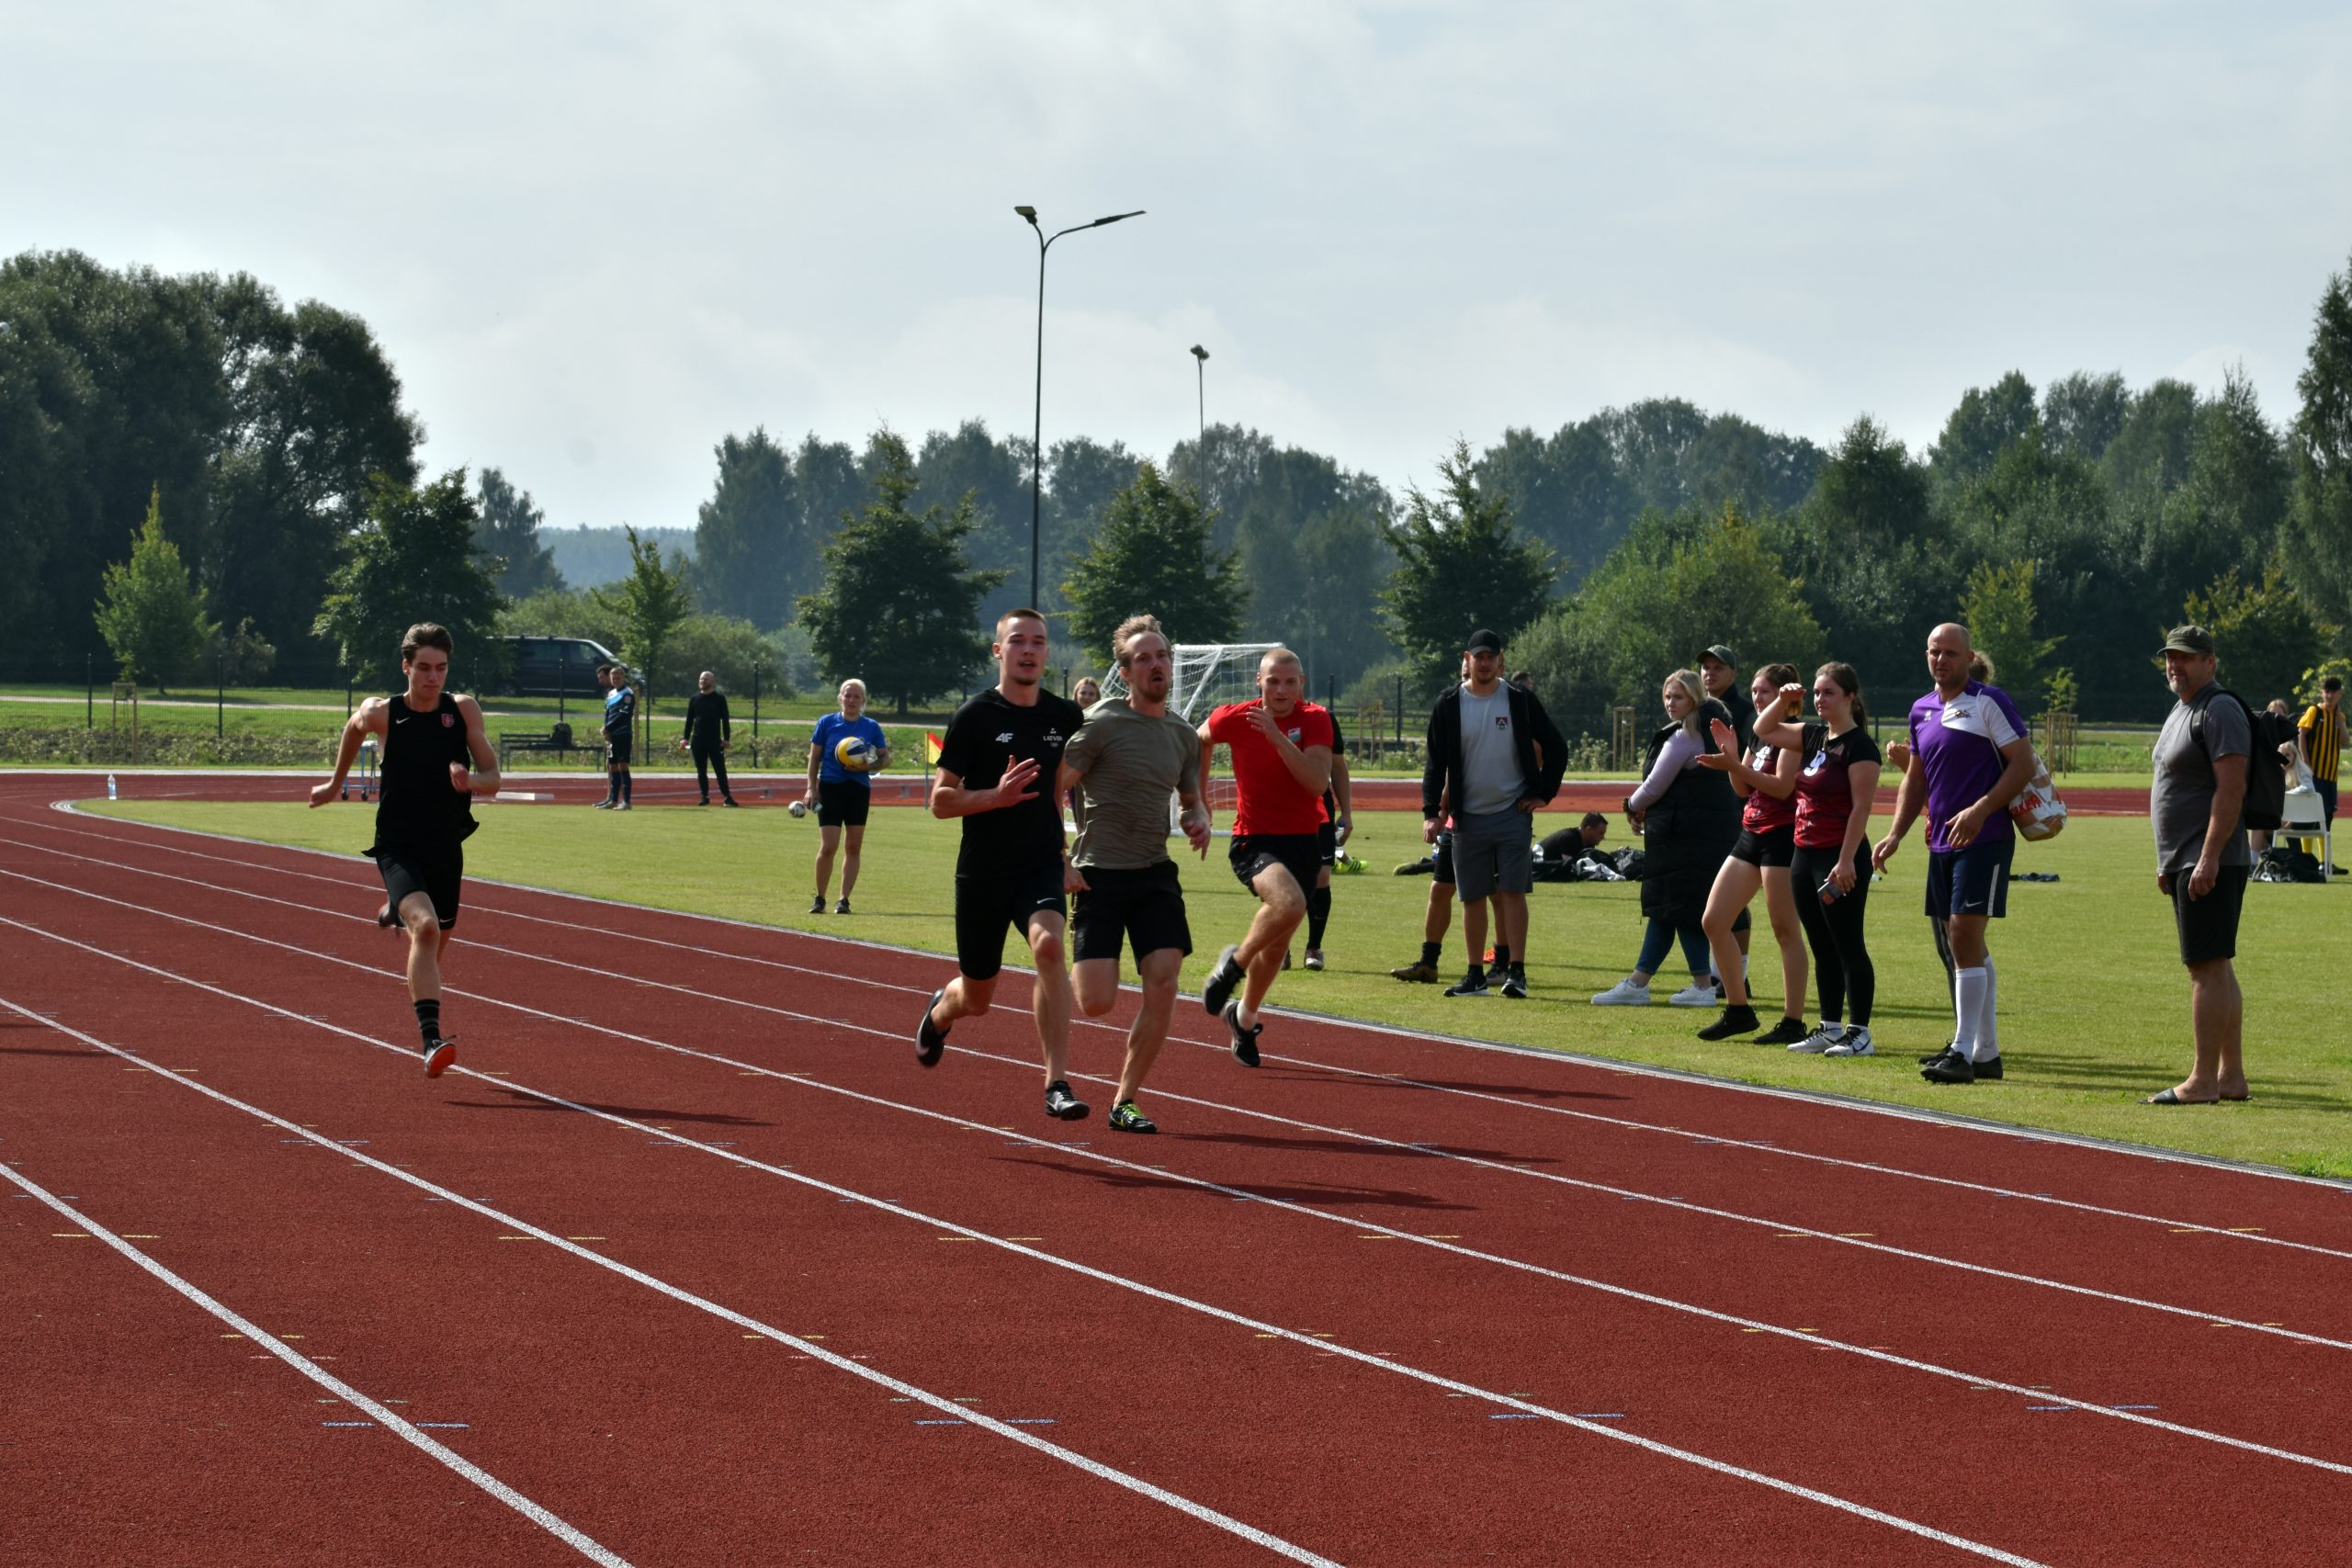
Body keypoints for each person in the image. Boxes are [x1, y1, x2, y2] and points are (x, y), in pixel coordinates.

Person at [915, 610, 1091, 1122]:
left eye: (1038, 641)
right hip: (983, 873)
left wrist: (1065, 858)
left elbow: (1059, 792)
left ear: (1047, 652)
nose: (1028, 650)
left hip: (1039, 864)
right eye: (1018, 641)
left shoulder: (1065, 717)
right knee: (976, 997)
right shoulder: (975, 715)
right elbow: (940, 801)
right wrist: (996, 796)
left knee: (1050, 947)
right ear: (998, 650)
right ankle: (940, 1012)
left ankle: (1056, 1083)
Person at [310, 623, 500, 1077]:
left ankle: (397, 909)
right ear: (406, 667)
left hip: (445, 843)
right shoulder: (383, 713)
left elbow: (493, 778)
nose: (433, 677)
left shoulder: (463, 710)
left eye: (441, 668)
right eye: (424, 668)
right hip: (397, 844)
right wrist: (335, 784)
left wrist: (470, 781)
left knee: (432, 946)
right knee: (427, 929)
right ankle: (431, 1042)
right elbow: (353, 728)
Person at [1057, 615, 1210, 1134]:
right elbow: (1055, 787)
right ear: (1125, 672)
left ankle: (1124, 1100)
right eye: (1143, 658)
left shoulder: (1183, 734)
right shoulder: (1100, 722)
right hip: (1098, 873)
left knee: (1163, 983)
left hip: (1154, 873)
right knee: (1096, 1002)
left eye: (1161, 655)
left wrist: (1197, 819)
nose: (1155, 664)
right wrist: (1059, 857)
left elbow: (1190, 799)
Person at [1872, 625, 2036, 1085]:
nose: (1940, 660)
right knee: (1963, 942)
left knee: (1964, 934)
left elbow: (2023, 763)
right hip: (1941, 842)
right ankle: (1985, 1052)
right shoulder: (1921, 709)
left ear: (1968, 658)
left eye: (1949, 653)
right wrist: (1895, 834)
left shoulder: (1989, 701)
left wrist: (1981, 810)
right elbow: (1916, 779)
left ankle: (1962, 1050)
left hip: (1986, 837)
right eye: (1933, 652)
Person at [1195, 649, 1335, 1061]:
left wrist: (1276, 736)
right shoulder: (1236, 717)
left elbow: (1316, 782)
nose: (1281, 690)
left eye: (1290, 682)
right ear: (1259, 681)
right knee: (1288, 903)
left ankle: (1243, 1017)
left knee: (1277, 944)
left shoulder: (1316, 719)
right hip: (1254, 840)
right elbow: (1199, 739)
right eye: (1273, 681)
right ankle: (1232, 968)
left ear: (1301, 684)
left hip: (1303, 841)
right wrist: (1199, 801)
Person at [1420, 628, 1566, 998]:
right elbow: (1435, 763)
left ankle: (1516, 972)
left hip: (1511, 812)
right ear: (1466, 659)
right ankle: (1475, 974)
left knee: (1513, 892)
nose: (1484, 663)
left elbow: (1556, 746)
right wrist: (1431, 812)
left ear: (1501, 660)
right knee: (1472, 897)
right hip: (1467, 817)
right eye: (1478, 657)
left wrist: (1543, 793)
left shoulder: (1518, 698)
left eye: (1490, 657)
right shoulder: (1449, 703)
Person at [2143, 626, 2252, 1105]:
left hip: (2208, 858)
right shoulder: (2182, 708)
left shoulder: (2218, 708)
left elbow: (2231, 789)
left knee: (2204, 968)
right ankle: (2230, 1076)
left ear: (2210, 661)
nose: (2176, 665)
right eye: (2171, 657)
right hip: (2185, 858)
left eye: (2186, 657)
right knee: (2216, 965)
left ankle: (2203, 1079)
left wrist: (2208, 857)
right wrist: (2167, 861)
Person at [1754, 664, 1883, 1056]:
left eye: (1828, 692)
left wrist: (1846, 861)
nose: (1819, 699)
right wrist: (1782, 700)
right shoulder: (1812, 735)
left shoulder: (1860, 746)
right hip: (1803, 853)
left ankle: (1859, 1032)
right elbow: (1762, 730)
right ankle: (1829, 1027)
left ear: (1850, 698)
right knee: (1821, 945)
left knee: (1848, 945)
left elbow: (1861, 808)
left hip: (1838, 857)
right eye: (1816, 692)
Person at [1591, 671, 1739, 1008]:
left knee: (1677, 908)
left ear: (1695, 699)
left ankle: (1693, 985)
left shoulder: (1684, 736)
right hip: (1709, 835)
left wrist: (1630, 806)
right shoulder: (1715, 731)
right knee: (1673, 910)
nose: (1671, 703)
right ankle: (1646, 981)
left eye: (1679, 697)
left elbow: (1654, 787)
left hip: (1681, 837)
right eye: (1668, 696)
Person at [1692, 663, 1809, 1043]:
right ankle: (1738, 1011)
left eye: (1766, 692)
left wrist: (1733, 763)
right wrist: (1731, 756)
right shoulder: (1758, 734)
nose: (1758, 698)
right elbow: (1743, 789)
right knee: (1714, 921)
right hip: (1751, 833)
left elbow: (1781, 787)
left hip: (1781, 837)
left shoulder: (1792, 733)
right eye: (1755, 691)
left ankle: (1793, 1021)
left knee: (1785, 930)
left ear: (1784, 697)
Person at [804, 679, 889, 915]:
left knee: (853, 847)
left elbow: (885, 758)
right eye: (847, 695)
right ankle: (820, 898)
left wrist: (866, 766)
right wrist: (811, 788)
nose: (851, 700)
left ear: (863, 701)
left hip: (858, 789)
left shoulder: (871, 727)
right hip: (830, 788)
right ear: (840, 698)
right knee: (828, 846)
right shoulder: (827, 722)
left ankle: (843, 900)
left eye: (856, 697)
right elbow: (814, 758)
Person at [1302, 712, 1353, 971]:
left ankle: (1314, 947)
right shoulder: (1262, 718)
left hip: (1318, 812)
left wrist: (1347, 813)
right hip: (1277, 812)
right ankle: (1280, 947)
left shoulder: (1323, 718)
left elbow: (1338, 767)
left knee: (1321, 878)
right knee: (1282, 880)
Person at [1389, 824, 1459, 981]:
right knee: (1439, 889)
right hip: (1456, 825)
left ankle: (1501, 966)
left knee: (1495, 893)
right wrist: (1432, 814)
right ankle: (1428, 964)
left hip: (1493, 823)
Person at [679, 670, 738, 807]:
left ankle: (727, 797)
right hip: (698, 740)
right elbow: (689, 720)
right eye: (701, 679)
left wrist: (727, 738)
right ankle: (704, 796)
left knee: (720, 770)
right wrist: (685, 738)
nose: (702, 681)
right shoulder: (694, 699)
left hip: (715, 741)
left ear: (712, 682)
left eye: (705, 679)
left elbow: (725, 720)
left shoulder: (719, 698)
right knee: (701, 770)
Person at [2299, 675, 2345, 829]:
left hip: (2331, 776)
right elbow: (2301, 734)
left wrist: (2340, 719)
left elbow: (2345, 740)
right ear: (2322, 692)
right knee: (2310, 817)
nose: (2329, 696)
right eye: (2327, 692)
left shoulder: (2339, 717)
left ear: (2340, 694)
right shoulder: (2315, 711)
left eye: (2333, 692)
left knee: (2327, 817)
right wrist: (2306, 762)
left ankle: (2324, 845)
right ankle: (2303, 846)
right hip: (2314, 774)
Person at [1699, 644, 1756, 754]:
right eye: (1706, 667)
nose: (1710, 672)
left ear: (1733, 674)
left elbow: (1756, 755)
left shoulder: (1747, 712)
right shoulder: (1694, 707)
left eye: (1718, 668)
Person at [596, 661, 636, 810]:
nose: (616, 679)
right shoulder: (611, 694)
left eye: (619, 677)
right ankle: (613, 800)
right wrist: (606, 731)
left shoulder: (628, 694)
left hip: (623, 734)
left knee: (623, 766)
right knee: (612, 767)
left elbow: (623, 716)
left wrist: (608, 728)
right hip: (612, 736)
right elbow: (608, 714)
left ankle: (626, 801)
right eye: (614, 677)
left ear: (623, 678)